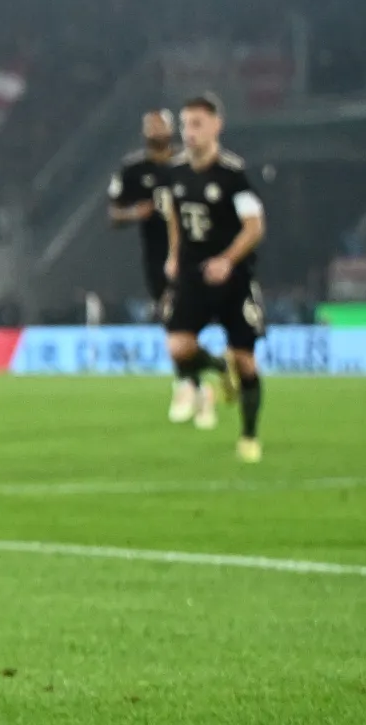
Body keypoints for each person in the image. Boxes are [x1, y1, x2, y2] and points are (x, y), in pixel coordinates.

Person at [159, 95, 268, 462]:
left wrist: (227, 260)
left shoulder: (233, 174)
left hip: (233, 278)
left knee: (247, 361)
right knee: (178, 347)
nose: (189, 133)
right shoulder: (175, 174)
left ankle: (249, 436)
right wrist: (174, 255)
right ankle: (217, 368)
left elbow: (254, 228)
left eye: (197, 124)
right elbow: (174, 216)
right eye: (185, 125)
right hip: (193, 274)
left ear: (216, 126)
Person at [106, 110, 201, 422]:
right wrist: (135, 213)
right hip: (155, 257)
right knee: (174, 323)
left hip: (192, 254)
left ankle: (187, 385)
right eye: (149, 125)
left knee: (180, 321)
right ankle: (202, 379)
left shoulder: (189, 164)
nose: (154, 130)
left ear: (171, 129)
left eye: (160, 124)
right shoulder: (134, 169)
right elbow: (114, 213)